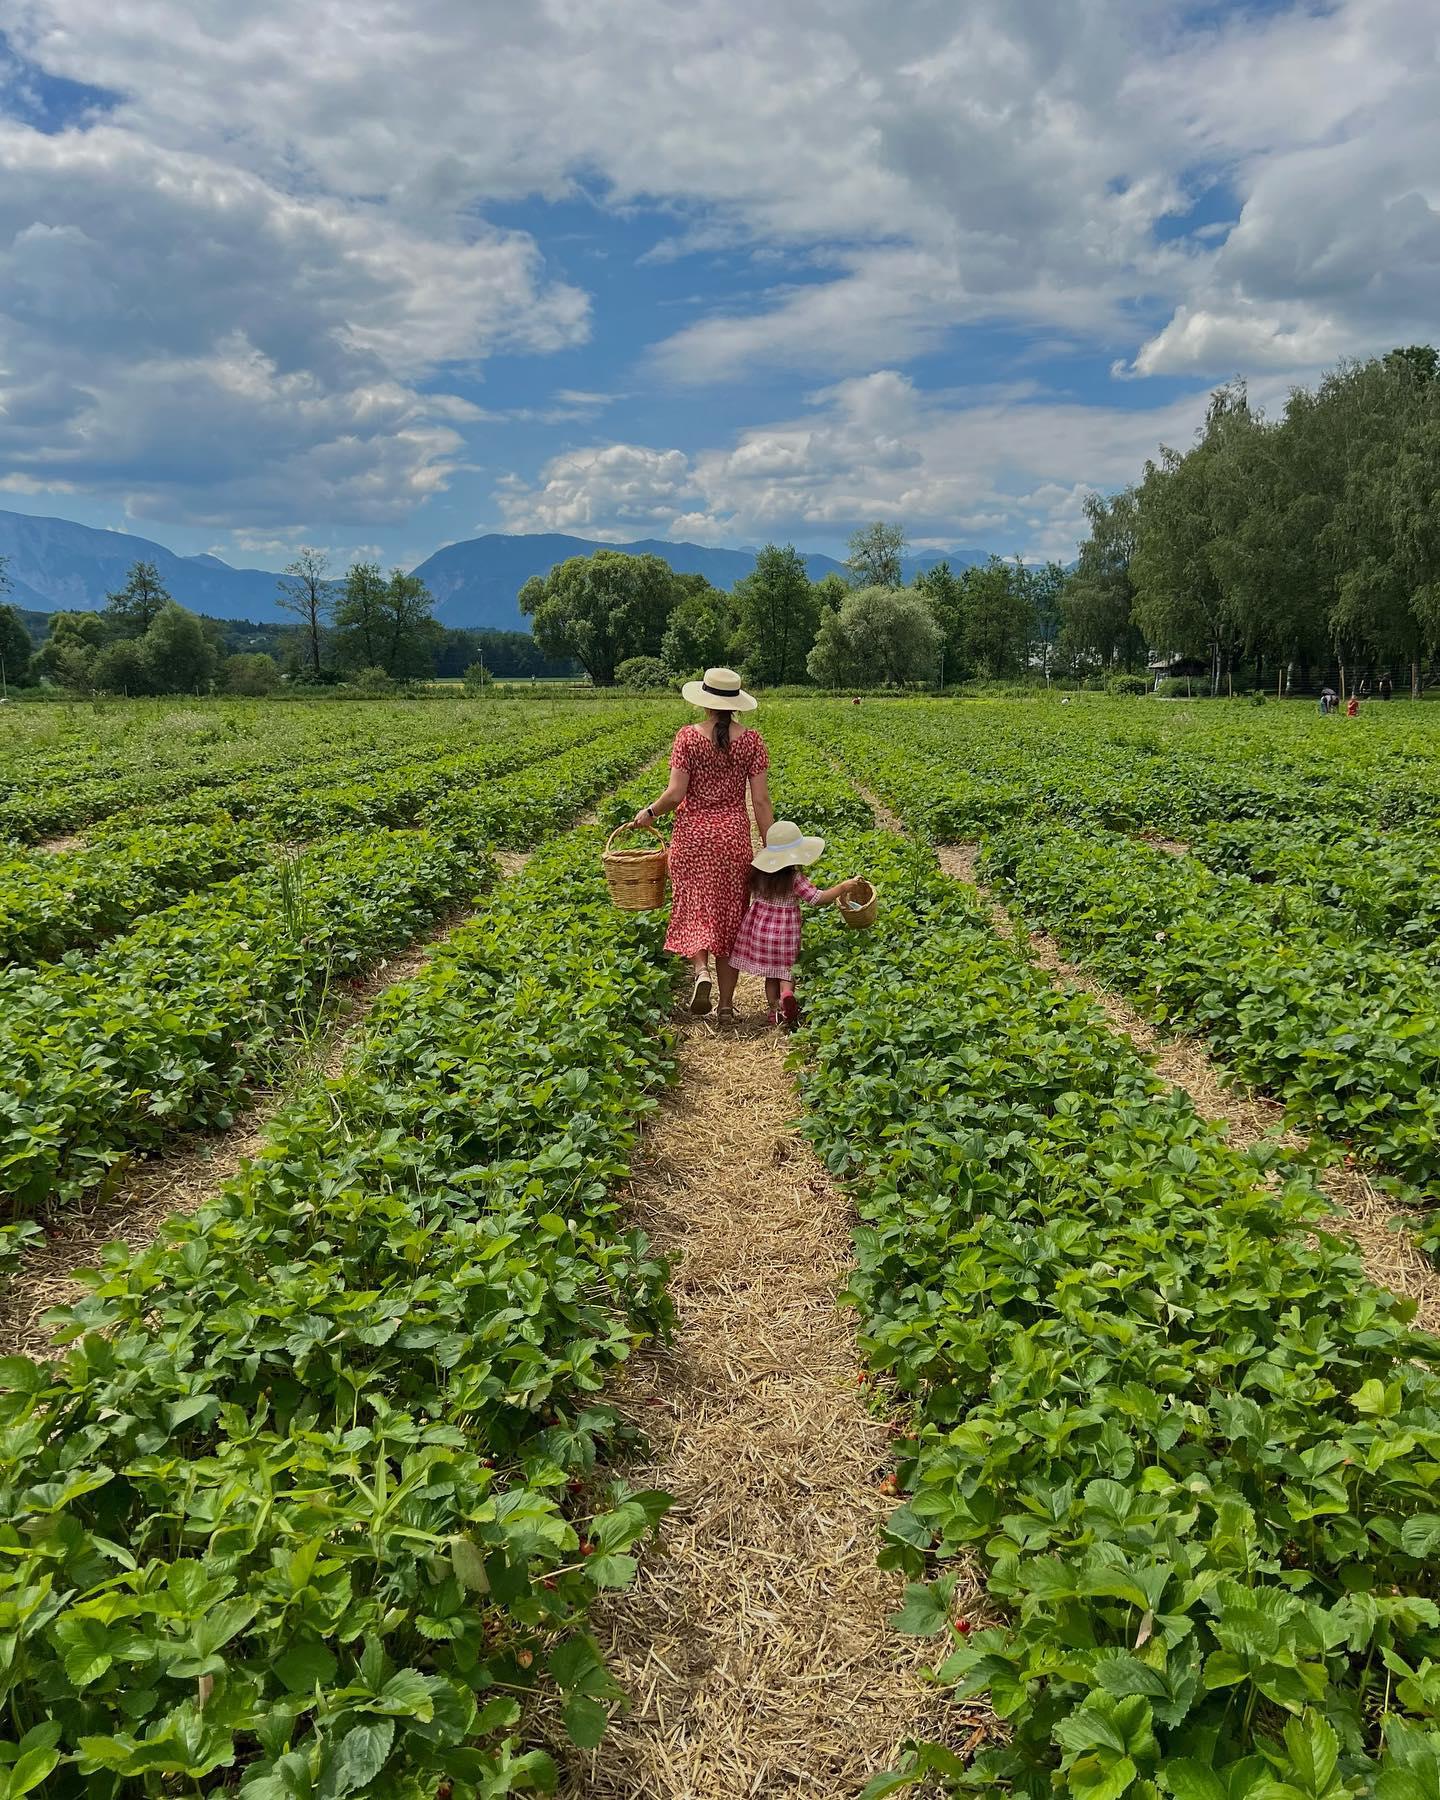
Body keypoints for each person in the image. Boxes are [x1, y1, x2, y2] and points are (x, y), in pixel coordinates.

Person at [631, 668, 773, 1024]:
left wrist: (650, 812)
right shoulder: (752, 742)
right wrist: (772, 848)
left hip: (693, 837)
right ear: (736, 704)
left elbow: (675, 794)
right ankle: (726, 1006)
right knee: (730, 919)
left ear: (705, 702)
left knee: (694, 907)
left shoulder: (688, 738)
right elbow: (760, 802)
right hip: (732, 840)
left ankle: (701, 972)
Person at [729, 821, 863, 1029]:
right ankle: (787, 995)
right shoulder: (794, 878)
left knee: (771, 974)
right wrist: (842, 887)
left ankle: (774, 1010)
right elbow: (817, 898)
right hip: (785, 933)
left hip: (761, 932)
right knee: (787, 971)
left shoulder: (759, 876)